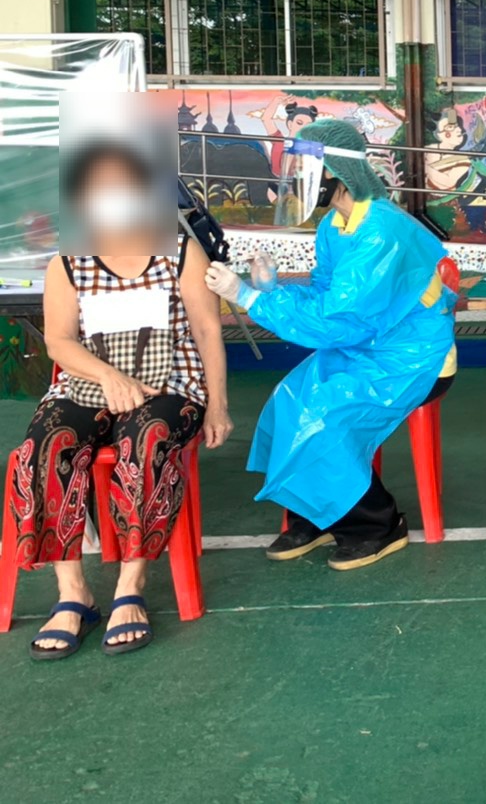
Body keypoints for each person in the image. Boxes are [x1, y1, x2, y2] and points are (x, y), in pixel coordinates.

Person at [205, 121, 457, 570]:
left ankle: (376, 524)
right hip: (364, 347)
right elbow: (328, 295)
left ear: (336, 170)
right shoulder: (334, 225)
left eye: (305, 167)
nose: (298, 178)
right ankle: (317, 512)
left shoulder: (381, 231)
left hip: (414, 356)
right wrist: (272, 288)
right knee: (289, 401)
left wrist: (250, 299)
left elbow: (338, 322)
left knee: (324, 417)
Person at [17, 142, 230, 658]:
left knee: (147, 437)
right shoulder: (67, 262)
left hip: (171, 384)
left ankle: (130, 586)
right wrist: (109, 376)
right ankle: (73, 593)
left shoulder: (181, 251)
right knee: (44, 444)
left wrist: (218, 404)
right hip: (88, 382)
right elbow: (59, 341)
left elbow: (207, 329)